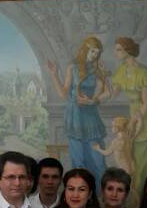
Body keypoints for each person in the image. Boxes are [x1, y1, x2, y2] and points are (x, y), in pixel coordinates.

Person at [109, 38, 147, 208]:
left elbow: (146, 103)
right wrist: (101, 81)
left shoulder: (143, 72)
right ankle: (135, 203)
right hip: (133, 117)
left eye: (119, 49)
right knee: (132, 163)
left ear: (128, 50)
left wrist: (134, 120)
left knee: (142, 166)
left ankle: (141, 205)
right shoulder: (121, 70)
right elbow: (113, 94)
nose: (116, 53)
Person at [45, 36, 108, 182]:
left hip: (91, 117)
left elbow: (103, 93)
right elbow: (63, 94)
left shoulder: (98, 70)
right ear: (85, 50)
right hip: (74, 117)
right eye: (92, 51)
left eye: (97, 53)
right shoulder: (72, 68)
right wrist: (54, 74)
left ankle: (99, 193)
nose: (95, 55)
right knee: (79, 162)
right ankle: (81, 192)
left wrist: (92, 101)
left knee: (98, 161)